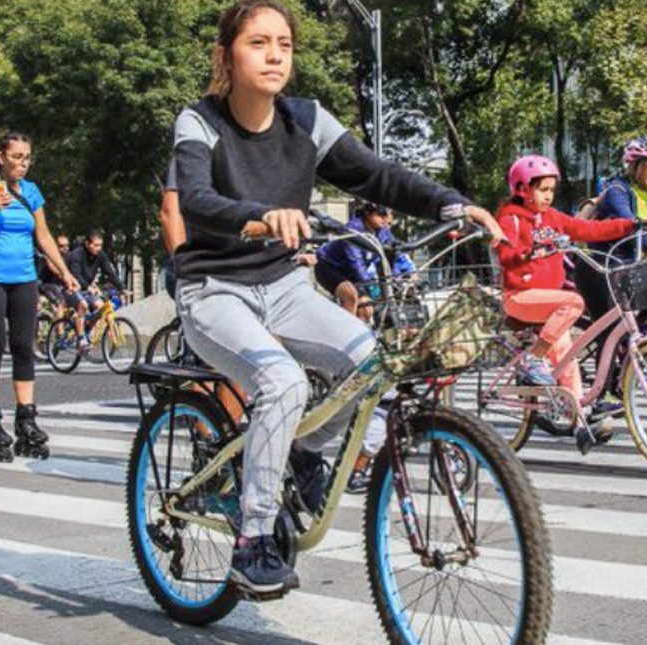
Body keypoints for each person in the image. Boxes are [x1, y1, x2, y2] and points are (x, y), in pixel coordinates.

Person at [171, 0, 503, 597]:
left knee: (371, 364)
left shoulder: (306, 120)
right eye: (258, 43)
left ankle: (298, 452)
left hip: (284, 286)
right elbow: (194, 200)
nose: (274, 55)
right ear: (226, 54)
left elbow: (377, 175)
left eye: (284, 44)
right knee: (284, 382)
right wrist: (258, 217)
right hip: (212, 289)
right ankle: (253, 540)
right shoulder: (199, 122)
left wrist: (450, 203)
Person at [495, 155, 635, 451]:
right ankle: (534, 357)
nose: (548, 196)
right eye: (542, 189)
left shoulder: (554, 218)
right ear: (522, 188)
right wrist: (528, 251)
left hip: (548, 302)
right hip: (520, 297)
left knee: (568, 360)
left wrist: (629, 226)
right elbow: (505, 255)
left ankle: (579, 424)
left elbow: (588, 230)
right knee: (574, 302)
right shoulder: (511, 218)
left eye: (551, 190)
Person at [0, 131, 79, 460]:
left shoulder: (32, 192)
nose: (22, 164)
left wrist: (64, 271)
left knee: (25, 347)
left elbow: (43, 234)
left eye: (26, 157)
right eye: (16, 157)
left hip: (24, 278)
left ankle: (26, 418)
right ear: (1, 157)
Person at [575, 136, 647, 404]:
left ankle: (624, 377)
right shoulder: (618, 190)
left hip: (630, 269)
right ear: (636, 166)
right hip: (599, 266)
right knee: (612, 327)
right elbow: (627, 223)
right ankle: (603, 394)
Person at [315, 203, 412, 323]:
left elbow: (391, 253)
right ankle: (344, 334)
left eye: (388, 215)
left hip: (352, 273)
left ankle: (363, 337)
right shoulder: (352, 230)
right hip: (329, 268)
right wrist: (373, 289)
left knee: (366, 310)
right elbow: (356, 263)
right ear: (367, 213)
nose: (386, 219)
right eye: (381, 215)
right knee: (351, 297)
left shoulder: (382, 231)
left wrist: (400, 275)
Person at [65, 230, 127, 345]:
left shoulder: (101, 255)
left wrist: (122, 288)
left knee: (101, 307)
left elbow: (110, 272)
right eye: (96, 245)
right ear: (87, 244)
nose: (99, 248)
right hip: (73, 288)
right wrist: (88, 287)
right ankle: (81, 338)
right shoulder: (77, 255)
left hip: (87, 289)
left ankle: (87, 329)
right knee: (83, 305)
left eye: (101, 245)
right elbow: (76, 274)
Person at [36, 235, 70, 321]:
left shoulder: (70, 257)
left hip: (60, 286)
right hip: (47, 285)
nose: (65, 248)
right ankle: (60, 331)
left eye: (67, 245)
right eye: (61, 246)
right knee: (60, 302)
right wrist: (66, 275)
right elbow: (57, 272)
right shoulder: (49, 257)